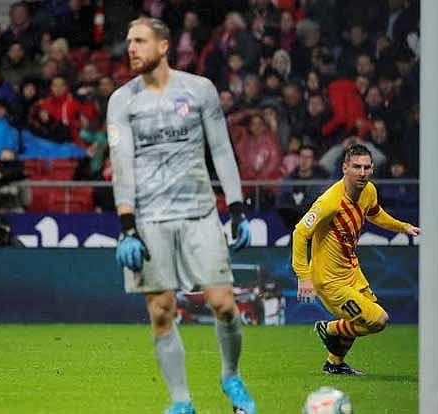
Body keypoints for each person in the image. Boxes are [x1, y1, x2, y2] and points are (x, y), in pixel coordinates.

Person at [107, 17, 255, 414]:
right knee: (161, 311)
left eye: (140, 40)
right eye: (129, 41)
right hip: (149, 219)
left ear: (163, 45)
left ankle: (231, 375)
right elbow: (121, 165)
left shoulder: (199, 90)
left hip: (199, 213)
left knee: (224, 304)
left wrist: (236, 207)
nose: (131, 48)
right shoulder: (121, 101)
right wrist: (126, 227)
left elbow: (220, 149)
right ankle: (181, 402)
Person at [292, 143, 420, 375]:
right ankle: (330, 329)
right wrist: (304, 276)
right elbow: (300, 233)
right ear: (344, 168)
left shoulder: (369, 190)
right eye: (356, 167)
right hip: (329, 280)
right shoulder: (329, 202)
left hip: (351, 270)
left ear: (372, 169)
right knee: (378, 320)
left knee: (363, 319)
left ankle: (334, 363)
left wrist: (402, 227)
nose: (362, 173)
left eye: (366, 167)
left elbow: (376, 214)